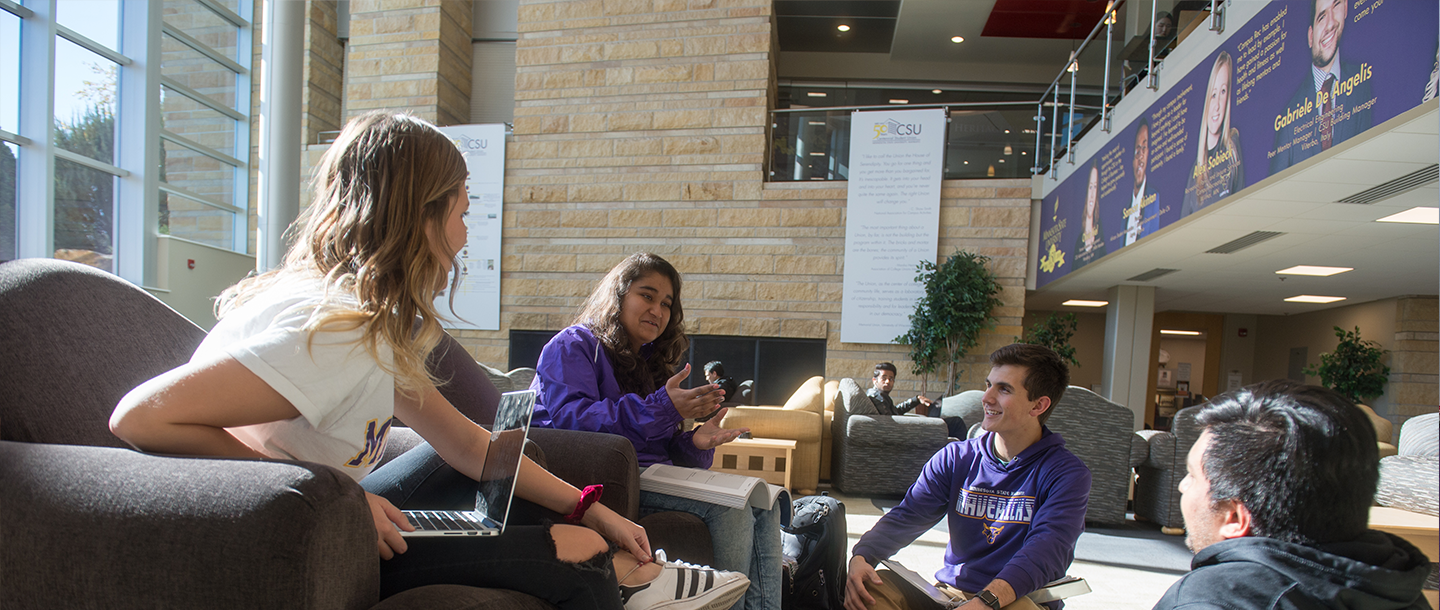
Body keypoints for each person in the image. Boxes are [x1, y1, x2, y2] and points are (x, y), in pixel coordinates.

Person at [108, 113, 747, 610]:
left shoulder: (368, 323)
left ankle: (635, 574)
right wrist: (331, 499)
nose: (467, 235)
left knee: (507, 467)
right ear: (421, 218)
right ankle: (627, 582)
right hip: (283, 535)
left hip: (323, 510)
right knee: (575, 558)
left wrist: (595, 508)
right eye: (463, 213)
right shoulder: (335, 332)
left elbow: (472, 447)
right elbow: (139, 418)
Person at [530, 252, 784, 610]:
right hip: (595, 475)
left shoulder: (652, 363)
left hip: (649, 474)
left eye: (666, 303)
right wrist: (663, 408)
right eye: (646, 296)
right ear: (618, 295)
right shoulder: (572, 345)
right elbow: (575, 422)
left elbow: (661, 446)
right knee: (733, 507)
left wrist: (694, 443)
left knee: (766, 502)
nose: (658, 311)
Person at [845, 344, 1092, 610]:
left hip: (1018, 597)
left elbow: (1046, 551)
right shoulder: (956, 458)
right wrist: (863, 555)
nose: (986, 397)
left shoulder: (1067, 474)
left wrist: (986, 601)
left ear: (1039, 405)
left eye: (1004, 389)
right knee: (871, 587)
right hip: (952, 593)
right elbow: (908, 515)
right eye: (989, 385)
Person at [1152, 380, 1432, 609]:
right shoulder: (1403, 592)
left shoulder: (1208, 601)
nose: (1182, 486)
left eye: (1192, 476)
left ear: (1235, 517)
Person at [1271, 0, 1375, 174]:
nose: (1330, 23)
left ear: (1346, 8)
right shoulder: (1288, 119)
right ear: (1310, 36)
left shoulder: (1362, 83)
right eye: (1321, 17)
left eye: (1336, 6)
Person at [1181, 52, 1244, 218]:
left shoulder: (1233, 148)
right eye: (1213, 94)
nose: (1217, 105)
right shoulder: (1194, 173)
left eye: (1223, 92)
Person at [870, 362, 965, 440]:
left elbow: (895, 412)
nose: (887, 381)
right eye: (884, 378)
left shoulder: (880, 395)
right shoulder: (877, 398)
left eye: (891, 379)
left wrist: (916, 400)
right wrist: (918, 422)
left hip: (909, 430)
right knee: (956, 422)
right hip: (909, 433)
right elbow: (891, 424)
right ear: (874, 380)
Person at [1125, 118, 1158, 246]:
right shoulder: (1125, 212)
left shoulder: (1155, 199)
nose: (1140, 156)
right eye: (1137, 150)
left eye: (1144, 148)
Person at [1072, 164, 1106, 269]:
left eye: (1095, 187)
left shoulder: (1101, 232)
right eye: (1090, 187)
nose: (1092, 195)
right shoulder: (1078, 242)